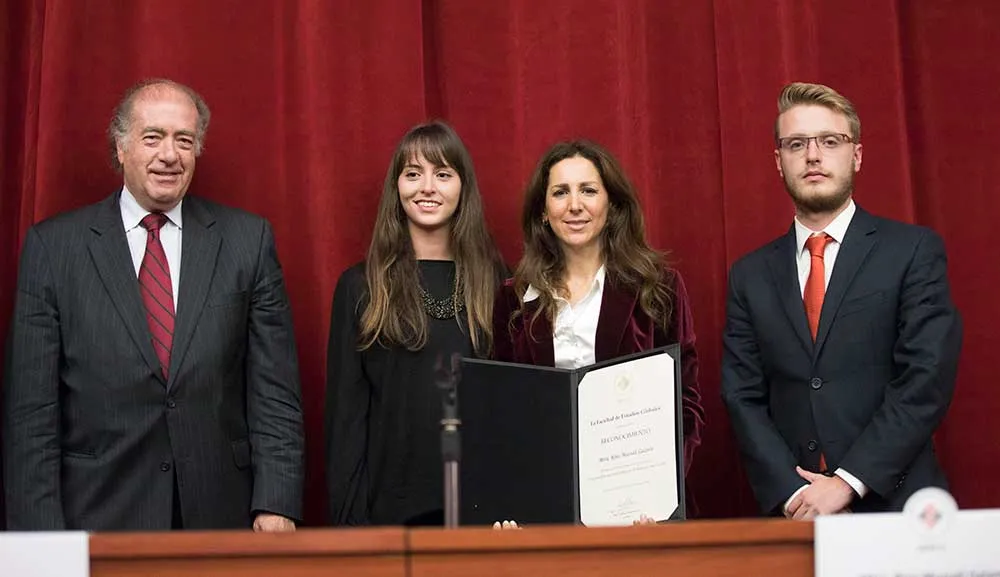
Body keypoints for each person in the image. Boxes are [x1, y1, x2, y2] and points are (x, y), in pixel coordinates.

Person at [2, 79, 305, 531]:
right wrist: (40, 541)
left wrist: (277, 503)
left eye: (184, 140)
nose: (170, 154)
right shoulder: (53, 249)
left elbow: (275, 392)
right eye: (153, 137)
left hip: (219, 519)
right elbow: (31, 414)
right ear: (121, 148)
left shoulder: (248, 242)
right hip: (97, 516)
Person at [721, 82, 962, 518]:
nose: (813, 155)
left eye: (830, 141)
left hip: (898, 511)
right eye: (797, 144)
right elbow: (742, 397)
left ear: (857, 155)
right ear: (779, 162)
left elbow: (925, 378)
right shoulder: (748, 275)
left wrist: (847, 483)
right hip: (794, 517)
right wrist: (796, 495)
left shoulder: (912, 251)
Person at [492, 140, 706, 510]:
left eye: (588, 190)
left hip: (638, 506)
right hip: (544, 497)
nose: (575, 205)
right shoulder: (512, 299)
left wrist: (657, 496)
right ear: (543, 210)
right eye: (560, 192)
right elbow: (502, 412)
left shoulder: (660, 287)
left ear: (612, 205)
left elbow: (686, 406)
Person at [325, 121, 506, 526]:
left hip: (482, 517)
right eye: (413, 174)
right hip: (390, 519)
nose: (427, 187)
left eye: (442, 174)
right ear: (397, 188)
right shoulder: (360, 287)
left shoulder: (498, 284)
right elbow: (346, 422)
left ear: (463, 188)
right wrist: (351, 530)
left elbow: (511, 413)